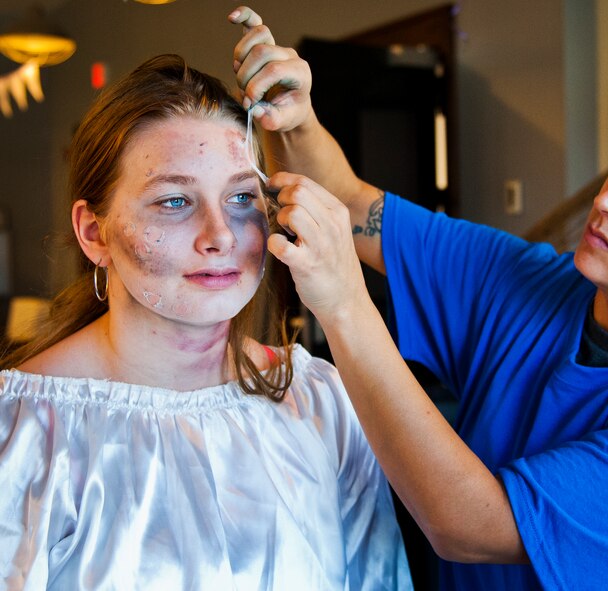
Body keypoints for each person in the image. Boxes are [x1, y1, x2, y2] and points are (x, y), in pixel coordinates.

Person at [230, 6, 608, 590]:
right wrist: (297, 119)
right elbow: (350, 203)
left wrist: (342, 304)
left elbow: (467, 524)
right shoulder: (534, 281)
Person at [0, 53, 412, 590]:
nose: (220, 233)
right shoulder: (27, 432)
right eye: (174, 201)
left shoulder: (320, 399)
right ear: (94, 233)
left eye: (242, 197)